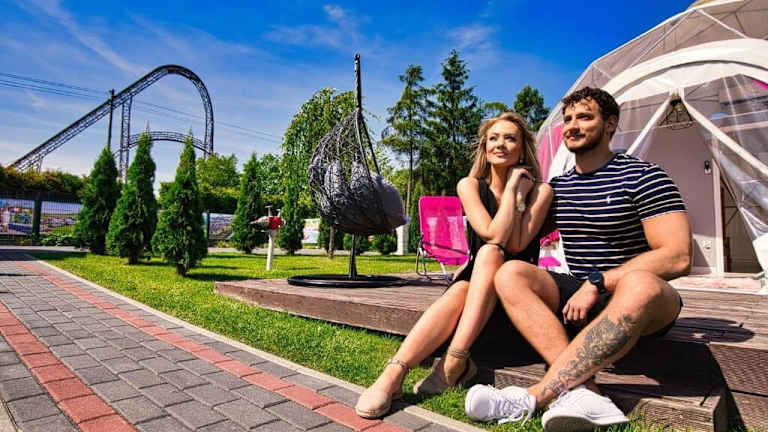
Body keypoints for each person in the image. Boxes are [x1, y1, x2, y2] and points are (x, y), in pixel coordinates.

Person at [464, 87, 691, 431]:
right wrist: (513, 189)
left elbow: (678, 256)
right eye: (568, 119)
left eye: (584, 117)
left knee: (640, 284)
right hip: (582, 298)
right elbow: (516, 242)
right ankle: (586, 392)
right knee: (511, 273)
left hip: (644, 301)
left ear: (610, 124)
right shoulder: (559, 188)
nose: (572, 126)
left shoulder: (645, 176)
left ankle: (532, 398)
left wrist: (599, 282)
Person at [354, 112, 553, 419]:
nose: (500, 144)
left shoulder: (541, 191)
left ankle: (452, 361)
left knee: (489, 255)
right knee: (473, 274)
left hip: (515, 296)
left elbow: (512, 245)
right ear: (484, 147)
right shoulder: (469, 185)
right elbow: (491, 233)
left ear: (523, 148)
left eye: (510, 138)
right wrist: (514, 190)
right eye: (493, 138)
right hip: (474, 296)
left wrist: (516, 191)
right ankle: (395, 373)